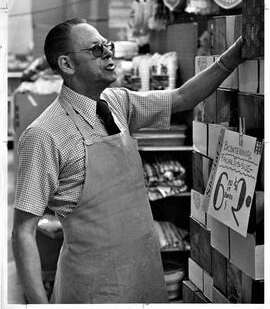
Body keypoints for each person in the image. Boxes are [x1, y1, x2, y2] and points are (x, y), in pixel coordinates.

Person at [12, 17, 244, 304]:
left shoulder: (117, 103)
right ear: (67, 65)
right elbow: (23, 231)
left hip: (144, 274)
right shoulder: (44, 135)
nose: (109, 53)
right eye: (96, 50)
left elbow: (182, 97)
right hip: (93, 288)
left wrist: (235, 55)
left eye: (107, 45)